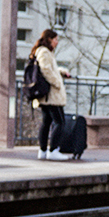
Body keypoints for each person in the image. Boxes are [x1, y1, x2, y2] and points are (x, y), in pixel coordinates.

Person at [30, 29, 71, 161]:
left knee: (46, 122)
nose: (57, 42)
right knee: (60, 122)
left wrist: (62, 72)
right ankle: (53, 150)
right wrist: (57, 83)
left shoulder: (44, 52)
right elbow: (46, 70)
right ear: (49, 39)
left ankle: (43, 150)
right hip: (50, 95)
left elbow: (50, 68)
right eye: (55, 39)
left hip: (47, 95)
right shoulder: (44, 52)